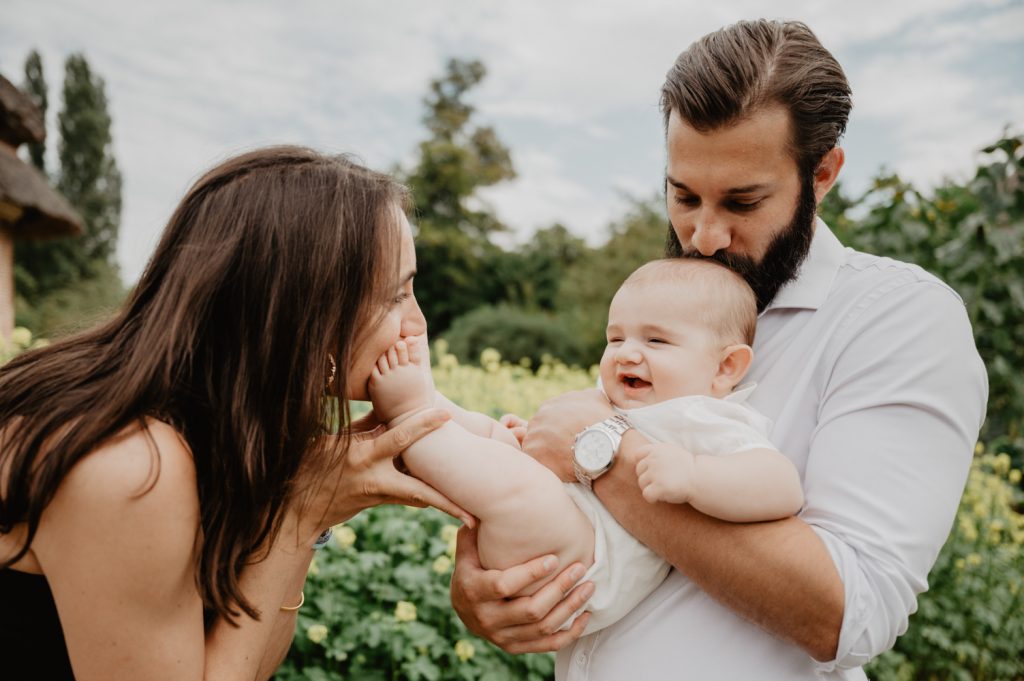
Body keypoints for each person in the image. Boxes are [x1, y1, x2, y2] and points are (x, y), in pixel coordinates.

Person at [450, 19, 988, 681]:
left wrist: (602, 451)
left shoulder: (898, 319)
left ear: (822, 174)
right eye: (683, 195)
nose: (703, 236)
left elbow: (850, 612)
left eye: (742, 201)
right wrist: (488, 588)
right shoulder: (660, 302)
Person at [0, 146, 470, 681]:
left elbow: (250, 664)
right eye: (396, 295)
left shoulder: (232, 426)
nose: (418, 325)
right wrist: (298, 518)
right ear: (307, 313)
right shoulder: (131, 461)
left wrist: (304, 512)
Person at [368, 257, 803, 635]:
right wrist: (533, 440)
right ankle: (428, 403)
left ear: (726, 367)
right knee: (498, 438)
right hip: (562, 530)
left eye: (655, 340)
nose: (626, 354)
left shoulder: (707, 417)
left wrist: (694, 475)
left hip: (586, 565)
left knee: (522, 488)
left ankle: (408, 416)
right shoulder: (621, 401)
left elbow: (782, 486)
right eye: (616, 339)